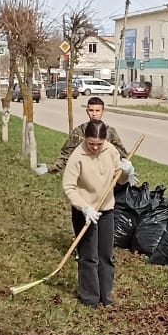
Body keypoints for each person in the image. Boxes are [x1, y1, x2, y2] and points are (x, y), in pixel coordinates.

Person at [62, 121, 133, 307]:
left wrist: (127, 172)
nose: (94, 147)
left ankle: (105, 296)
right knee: (88, 255)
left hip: (106, 210)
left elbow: (120, 179)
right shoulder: (78, 156)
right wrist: (84, 207)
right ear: (85, 138)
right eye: (91, 143)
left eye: (98, 144)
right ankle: (90, 298)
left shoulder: (111, 151)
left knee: (105, 255)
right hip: (84, 212)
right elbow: (68, 187)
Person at [41, 96, 128, 176]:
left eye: (97, 111)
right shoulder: (78, 132)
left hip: (105, 177)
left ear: (103, 111)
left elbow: (122, 155)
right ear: (87, 111)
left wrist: (125, 167)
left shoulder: (110, 132)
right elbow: (66, 156)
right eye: (91, 110)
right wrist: (49, 168)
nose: (94, 114)